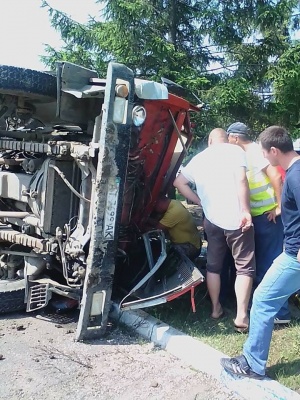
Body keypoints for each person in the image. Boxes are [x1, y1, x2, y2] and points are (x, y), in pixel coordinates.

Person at [221, 126, 300, 379]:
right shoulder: (295, 172)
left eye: (266, 154)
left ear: (274, 150)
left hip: (296, 255)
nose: (265, 158)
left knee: (263, 300)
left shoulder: (296, 176)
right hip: (291, 251)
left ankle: (252, 364)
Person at [173, 128, 255, 331]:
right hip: (237, 219)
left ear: (209, 141)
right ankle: (242, 316)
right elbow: (241, 180)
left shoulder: (200, 158)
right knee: (244, 267)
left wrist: (199, 201)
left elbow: (179, 183)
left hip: (211, 220)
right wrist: (245, 210)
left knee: (213, 267)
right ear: (226, 139)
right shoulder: (235, 152)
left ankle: (216, 309)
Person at [227, 122, 290, 324]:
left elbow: (275, 175)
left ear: (235, 138)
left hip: (268, 216)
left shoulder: (254, 152)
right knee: (263, 261)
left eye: (229, 138)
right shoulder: (245, 154)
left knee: (270, 263)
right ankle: (271, 307)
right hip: (257, 215)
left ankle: (281, 313)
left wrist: (279, 206)